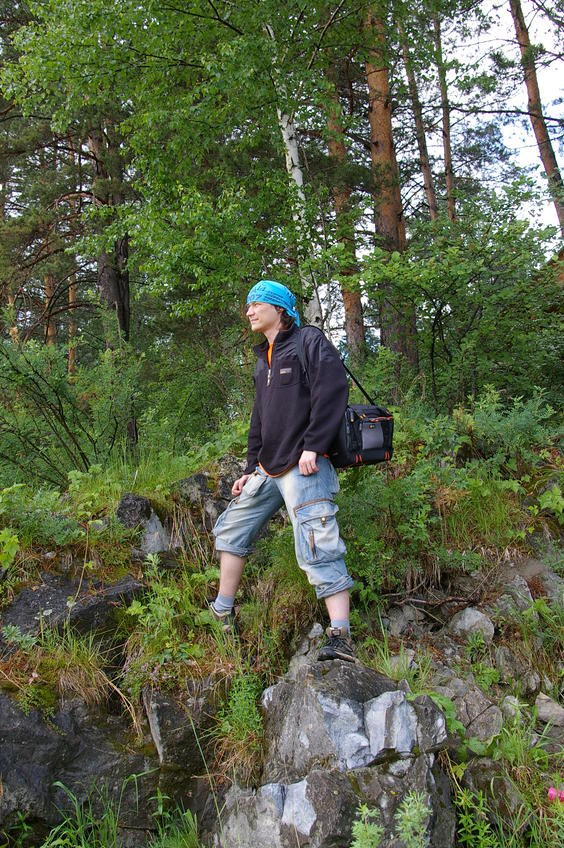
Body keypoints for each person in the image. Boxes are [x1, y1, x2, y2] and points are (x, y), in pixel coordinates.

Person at [211, 280, 356, 662]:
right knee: (231, 529)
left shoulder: (308, 341)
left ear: (279, 309)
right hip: (268, 468)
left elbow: (332, 390)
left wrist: (315, 445)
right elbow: (259, 419)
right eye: (248, 305)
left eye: (256, 303)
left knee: (317, 543)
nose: (249, 311)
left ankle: (341, 636)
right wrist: (249, 468)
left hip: (304, 465)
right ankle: (221, 613)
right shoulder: (264, 358)